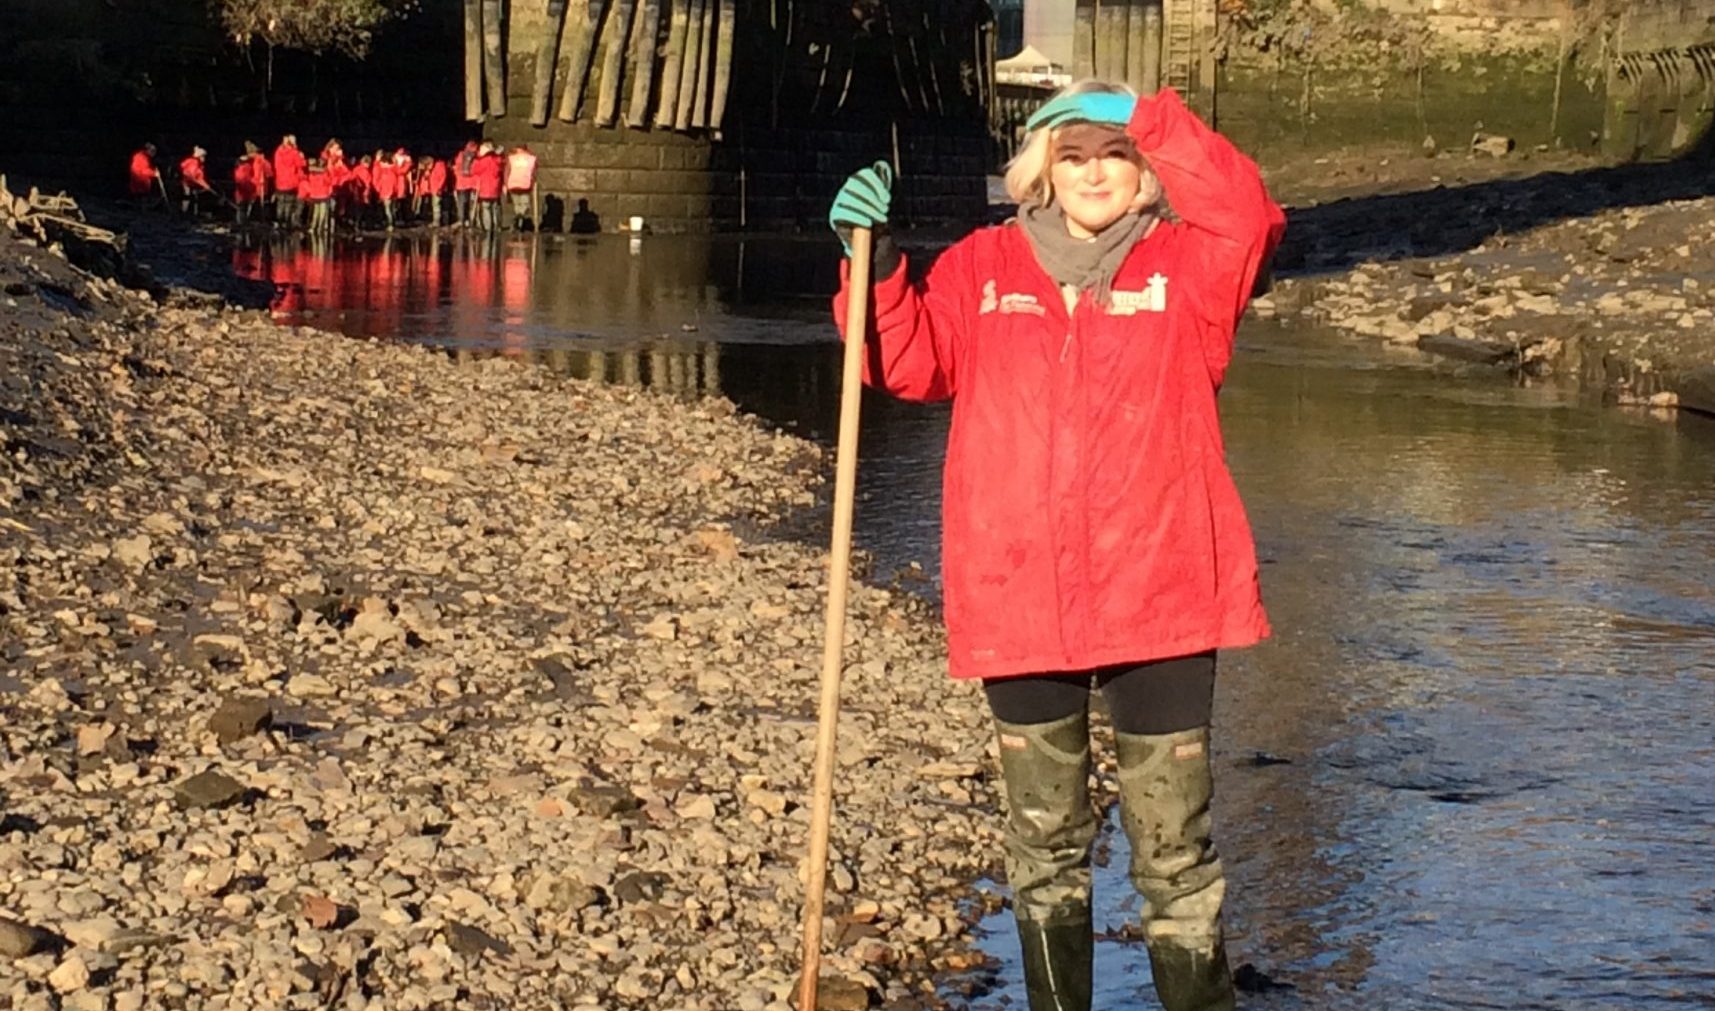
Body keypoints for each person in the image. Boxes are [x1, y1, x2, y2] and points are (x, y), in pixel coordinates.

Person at [829, 81, 1285, 1011]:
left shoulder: (1191, 268)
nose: (1093, 173)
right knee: (1043, 849)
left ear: (1145, 171)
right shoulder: (980, 266)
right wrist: (869, 269)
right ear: (1040, 167)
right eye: (1071, 155)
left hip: (1162, 594)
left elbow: (1248, 213)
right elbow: (899, 361)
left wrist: (1146, 113)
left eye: (1113, 155)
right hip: (1019, 594)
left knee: (1175, 854)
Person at [233, 141, 272, 226]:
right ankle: (243, 223)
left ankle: (247, 222)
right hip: (252, 189)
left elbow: (268, 173)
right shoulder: (247, 165)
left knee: (247, 207)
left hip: (254, 189)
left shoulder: (257, 162)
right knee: (244, 208)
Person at [273, 134, 307, 228]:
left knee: (280, 203)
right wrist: (302, 157)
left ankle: (279, 222)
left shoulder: (278, 152)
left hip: (280, 182)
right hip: (290, 183)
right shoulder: (294, 153)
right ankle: (287, 223)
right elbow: (301, 164)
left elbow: (276, 166)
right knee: (288, 203)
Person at [471, 141, 504, 232]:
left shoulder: (481, 162)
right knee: (495, 207)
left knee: (486, 208)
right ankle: (497, 226)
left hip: (484, 188)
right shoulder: (498, 161)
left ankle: (488, 227)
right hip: (495, 188)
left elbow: (474, 171)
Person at [504, 143, 539, 231]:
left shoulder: (511, 158)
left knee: (517, 205)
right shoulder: (531, 158)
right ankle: (520, 219)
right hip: (525, 184)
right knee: (525, 205)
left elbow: (507, 171)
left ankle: (518, 221)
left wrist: (506, 184)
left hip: (513, 184)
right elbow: (534, 171)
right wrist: (533, 181)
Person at [301, 159, 335, 235]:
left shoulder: (311, 174)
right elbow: (329, 181)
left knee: (315, 213)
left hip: (314, 195)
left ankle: (313, 227)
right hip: (323, 195)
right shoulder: (324, 174)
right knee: (322, 213)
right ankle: (320, 228)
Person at [178, 147, 214, 215]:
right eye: (203, 156)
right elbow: (196, 177)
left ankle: (193, 213)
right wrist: (205, 185)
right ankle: (184, 213)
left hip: (191, 183)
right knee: (187, 198)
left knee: (193, 198)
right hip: (188, 183)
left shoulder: (198, 164)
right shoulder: (194, 163)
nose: (204, 158)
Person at [453, 140, 480, 228]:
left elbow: (457, 166)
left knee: (461, 202)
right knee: (472, 203)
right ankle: (471, 220)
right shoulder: (478, 156)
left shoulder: (461, 154)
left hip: (461, 182)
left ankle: (461, 220)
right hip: (473, 182)